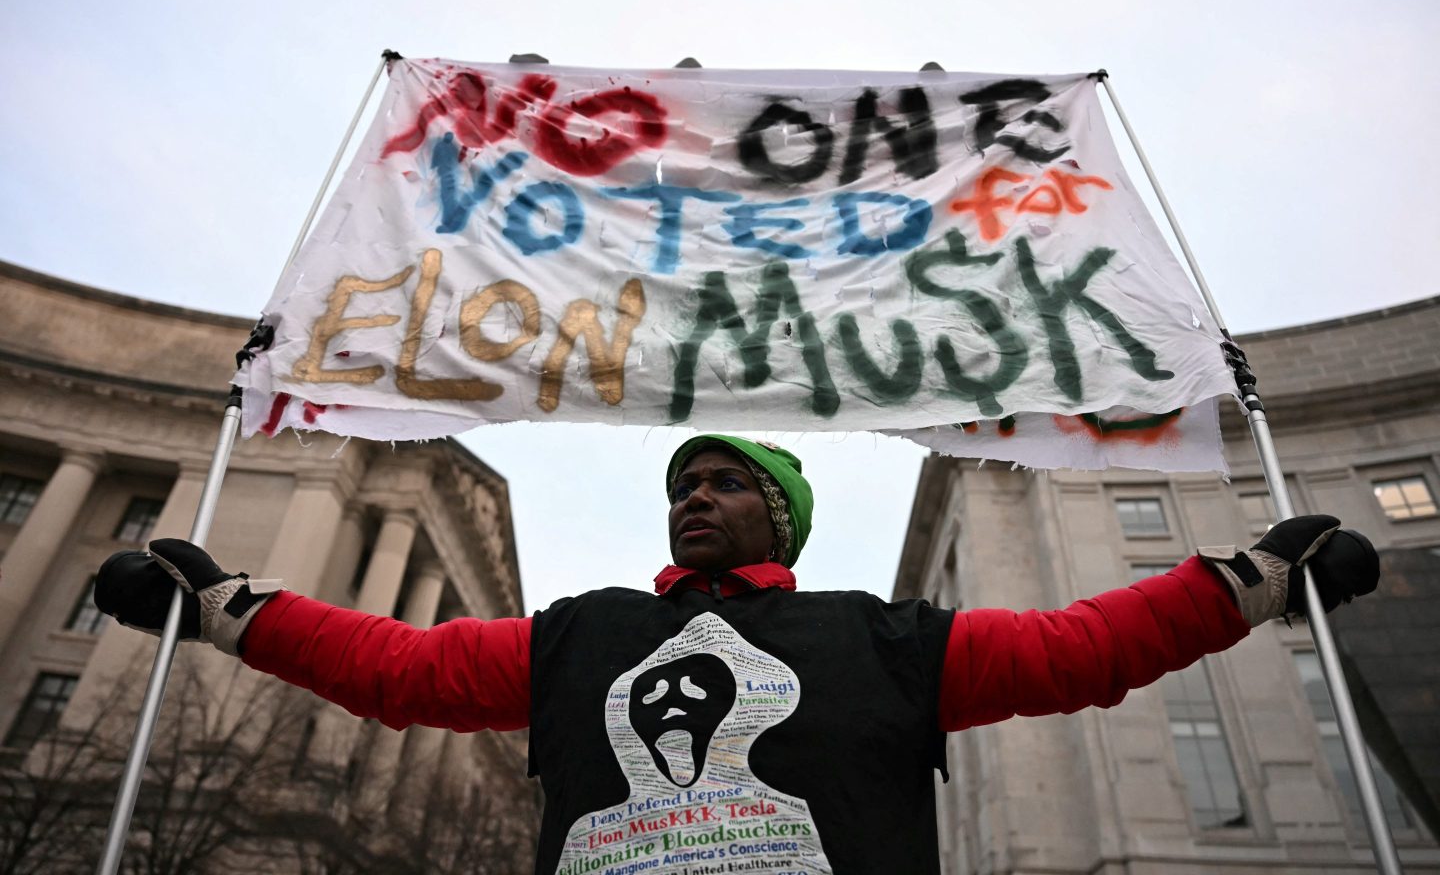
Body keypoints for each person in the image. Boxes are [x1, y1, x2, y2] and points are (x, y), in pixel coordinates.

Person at [96, 434, 1379, 875]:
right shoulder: (582, 633)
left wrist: (1250, 584)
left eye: (724, 483)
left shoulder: (881, 637)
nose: (694, 498)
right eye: (681, 486)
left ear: (782, 519)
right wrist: (228, 611)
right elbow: (401, 670)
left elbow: (1078, 651)